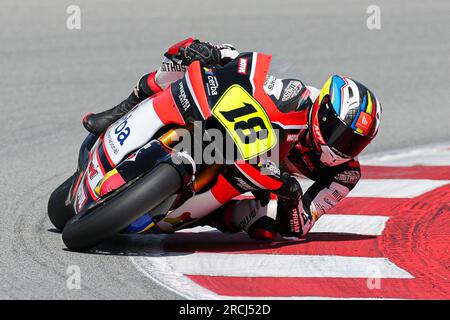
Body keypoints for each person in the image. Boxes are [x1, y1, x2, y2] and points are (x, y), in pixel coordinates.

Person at [82, 38, 382, 241]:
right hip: (239, 132)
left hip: (260, 175)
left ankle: (198, 215)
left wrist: (290, 194)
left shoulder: (345, 173)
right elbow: (252, 70)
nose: (344, 147)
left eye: (355, 142)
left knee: (263, 224)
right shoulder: (299, 97)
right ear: (324, 114)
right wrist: (220, 53)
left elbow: (300, 226)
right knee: (184, 57)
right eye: (341, 135)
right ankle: (126, 105)